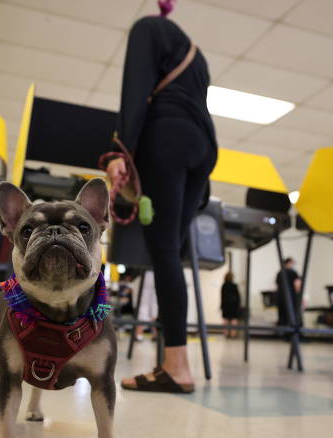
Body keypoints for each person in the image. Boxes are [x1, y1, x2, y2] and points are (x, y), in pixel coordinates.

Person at [105, 0, 217, 393]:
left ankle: (176, 366)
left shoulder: (146, 29)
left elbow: (135, 90)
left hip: (166, 137)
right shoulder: (196, 55)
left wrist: (120, 149)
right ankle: (174, 362)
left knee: (164, 252)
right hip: (203, 146)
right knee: (172, 251)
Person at [275, 257, 301, 332]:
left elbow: (277, 286)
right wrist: (300, 298)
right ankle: (292, 335)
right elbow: (297, 285)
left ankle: (283, 334)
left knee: (282, 317)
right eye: (293, 263)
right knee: (292, 316)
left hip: (280, 298)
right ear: (289, 263)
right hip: (291, 298)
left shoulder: (279, 273)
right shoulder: (293, 272)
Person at [220, 272, 241, 339]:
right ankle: (233, 334)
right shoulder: (234, 285)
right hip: (234, 305)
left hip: (226, 305)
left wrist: (221, 306)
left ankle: (226, 334)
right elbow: (238, 297)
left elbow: (222, 297)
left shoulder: (224, 285)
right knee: (234, 320)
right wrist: (238, 305)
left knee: (225, 320)